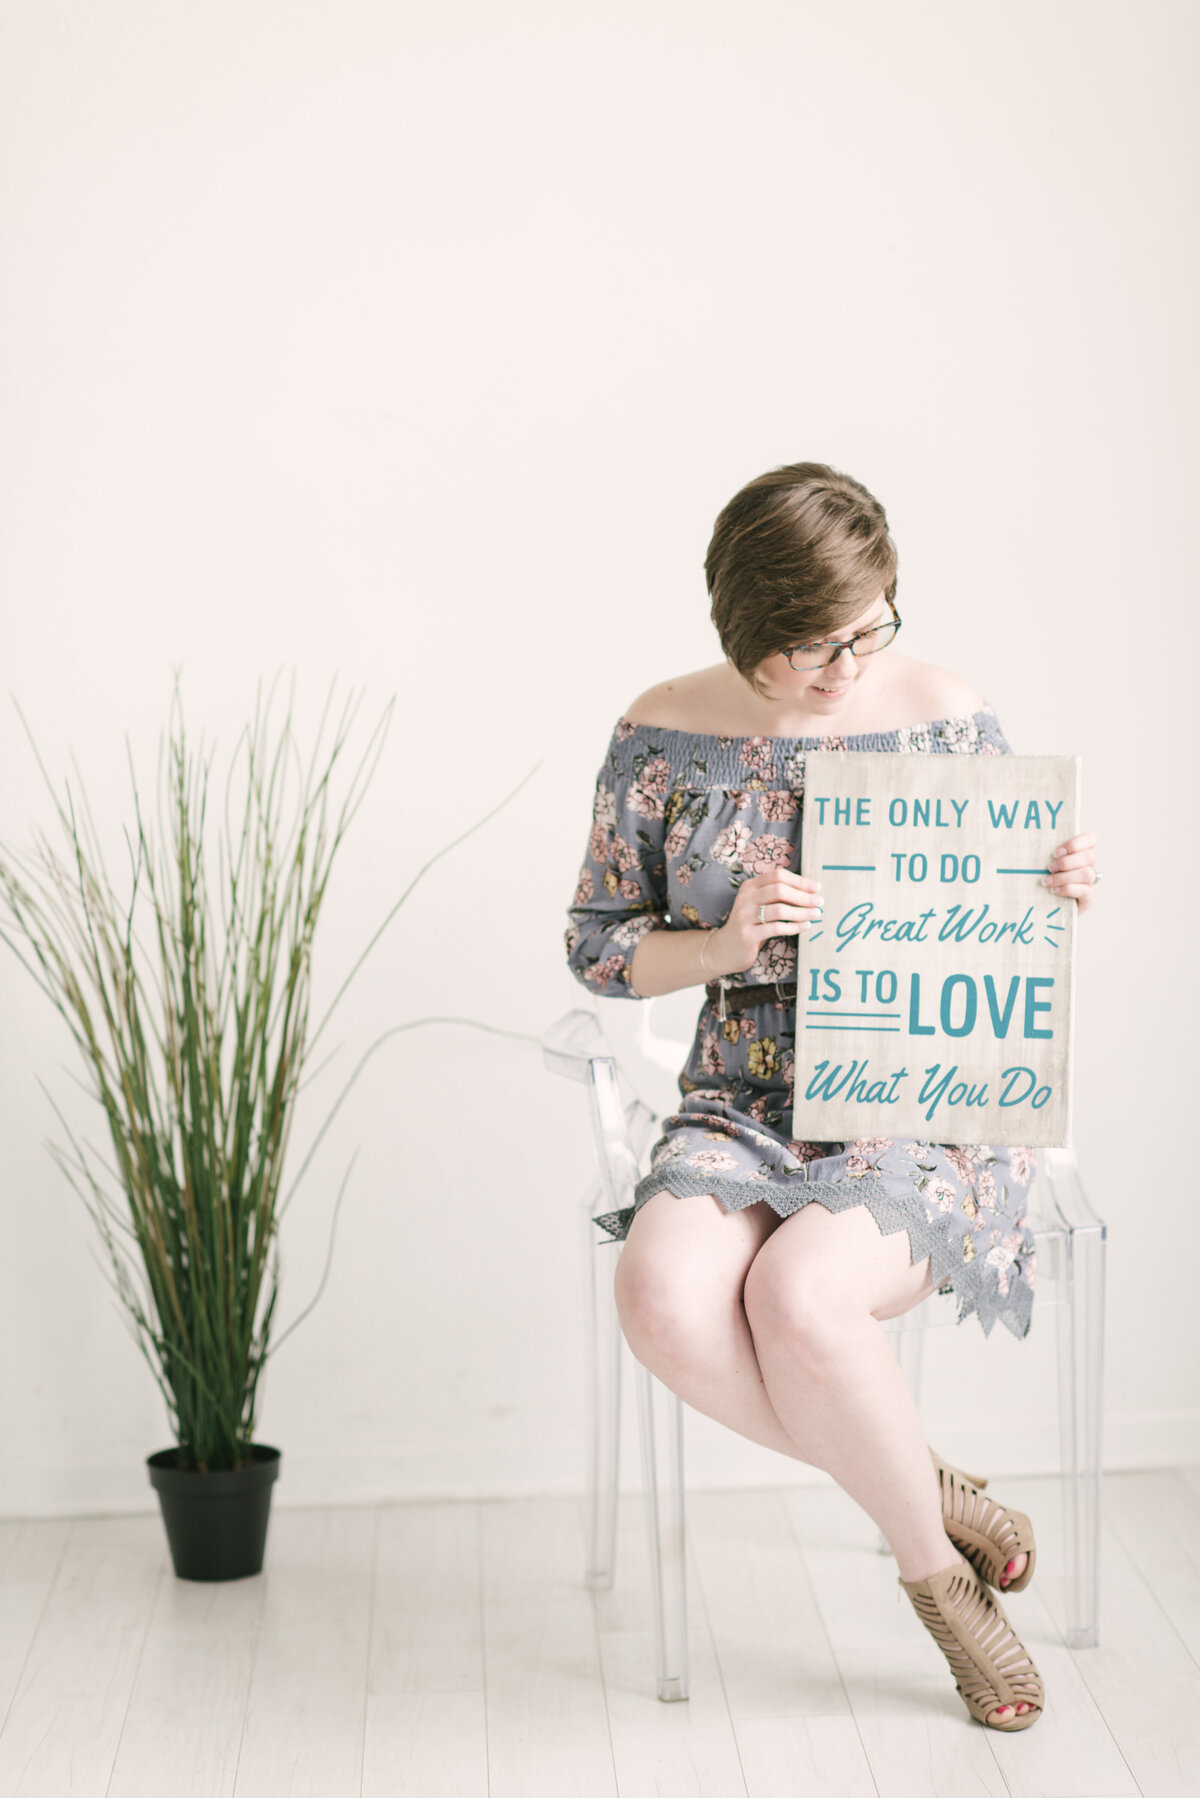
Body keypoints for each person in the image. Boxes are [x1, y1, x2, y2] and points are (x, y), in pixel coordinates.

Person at [563, 461, 1099, 1732]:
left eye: (871, 629)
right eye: (810, 648)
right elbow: (596, 942)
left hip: (917, 1090)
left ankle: (937, 1584)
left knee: (799, 1296)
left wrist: (1055, 880)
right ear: (743, 631)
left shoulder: (943, 711)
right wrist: (728, 943)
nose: (846, 666)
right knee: (660, 1291)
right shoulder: (661, 731)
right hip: (742, 1091)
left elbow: (995, 906)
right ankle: (934, 1492)